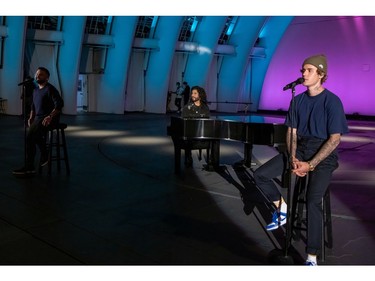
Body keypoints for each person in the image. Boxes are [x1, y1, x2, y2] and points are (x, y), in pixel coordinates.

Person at [253, 54, 349, 265]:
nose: (303, 74)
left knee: (313, 200)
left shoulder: (332, 102)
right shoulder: (297, 100)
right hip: (300, 150)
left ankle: (311, 257)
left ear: (321, 74)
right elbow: (291, 133)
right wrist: (294, 157)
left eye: (309, 70)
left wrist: (311, 164)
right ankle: (282, 206)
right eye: (302, 70)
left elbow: (334, 140)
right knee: (260, 174)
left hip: (323, 155)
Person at [13, 67, 64, 176]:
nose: (37, 76)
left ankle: (39, 159)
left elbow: (59, 104)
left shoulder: (50, 89)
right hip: (38, 119)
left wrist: (50, 116)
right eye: (37, 74)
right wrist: (31, 117)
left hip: (49, 119)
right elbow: (33, 106)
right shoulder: (35, 90)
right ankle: (33, 164)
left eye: (41, 74)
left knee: (31, 137)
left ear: (47, 78)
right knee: (29, 138)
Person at [181, 86, 211, 167]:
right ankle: (188, 157)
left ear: (200, 95)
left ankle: (213, 162)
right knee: (187, 137)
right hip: (191, 134)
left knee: (215, 140)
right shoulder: (187, 107)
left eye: (195, 93)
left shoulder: (205, 108)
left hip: (202, 133)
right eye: (192, 93)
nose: (192, 95)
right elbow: (184, 123)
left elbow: (207, 122)